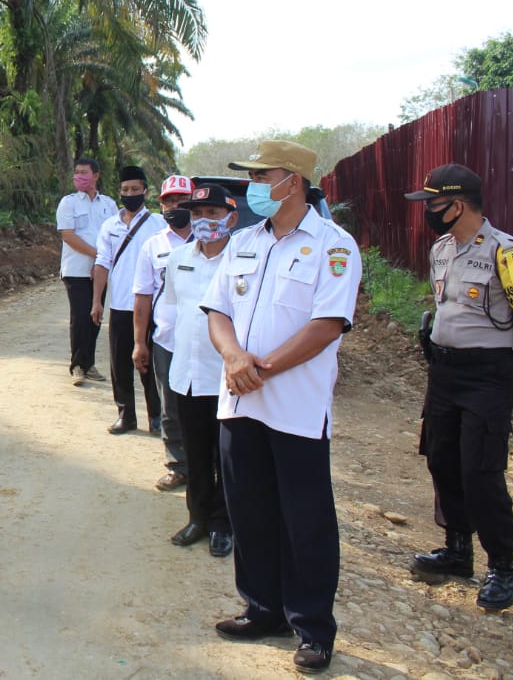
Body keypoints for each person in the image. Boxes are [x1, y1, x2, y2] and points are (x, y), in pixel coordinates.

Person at [201, 140, 360, 675]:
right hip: (240, 403)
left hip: (294, 407)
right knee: (250, 510)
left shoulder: (333, 246)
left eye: (260, 176)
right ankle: (262, 608)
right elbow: (217, 311)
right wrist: (232, 357)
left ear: (292, 181)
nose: (252, 187)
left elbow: (327, 325)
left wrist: (258, 368)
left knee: (306, 518)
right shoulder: (244, 241)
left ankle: (313, 627)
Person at [404, 163, 513, 612]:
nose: (427, 212)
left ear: (457, 205)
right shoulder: (441, 249)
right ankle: (457, 550)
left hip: (488, 376)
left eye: (433, 204)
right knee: (442, 459)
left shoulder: (505, 252)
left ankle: (503, 565)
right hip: (445, 373)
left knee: (480, 470)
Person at [162, 184, 239, 558]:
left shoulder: (244, 262)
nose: (205, 222)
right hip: (187, 374)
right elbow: (173, 309)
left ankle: (224, 523)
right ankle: (198, 516)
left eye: (213, 214)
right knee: (194, 453)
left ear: (231, 218)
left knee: (226, 457)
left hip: (227, 377)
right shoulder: (179, 259)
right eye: (197, 214)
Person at [93, 166, 166, 434]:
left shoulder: (159, 224)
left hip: (151, 306)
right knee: (119, 364)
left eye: (135, 189)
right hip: (120, 305)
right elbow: (102, 263)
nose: (130, 194)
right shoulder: (109, 226)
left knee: (150, 365)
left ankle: (156, 416)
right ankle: (126, 415)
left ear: (146, 192)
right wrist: (97, 301)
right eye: (125, 190)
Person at [131, 174, 193, 489]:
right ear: (162, 204)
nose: (175, 206)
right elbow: (142, 297)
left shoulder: (211, 240)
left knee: (208, 407)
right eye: (169, 200)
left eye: (182, 200)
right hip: (166, 341)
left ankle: (209, 466)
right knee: (171, 408)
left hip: (208, 343)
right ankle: (178, 465)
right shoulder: (153, 246)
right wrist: (139, 343)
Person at [56, 157, 118, 385]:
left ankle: (89, 363)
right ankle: (77, 365)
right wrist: (97, 255)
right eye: (77, 172)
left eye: (84, 172)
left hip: (100, 270)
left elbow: (114, 234)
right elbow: (68, 235)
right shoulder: (69, 203)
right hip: (76, 269)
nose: (79, 176)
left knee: (95, 315)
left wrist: (102, 262)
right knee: (80, 316)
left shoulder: (109, 205)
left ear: (96, 175)